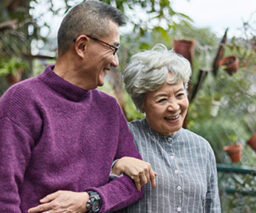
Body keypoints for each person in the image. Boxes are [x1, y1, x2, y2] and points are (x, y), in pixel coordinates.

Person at [0, 1, 156, 212]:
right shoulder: (22, 100)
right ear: (82, 46)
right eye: (113, 49)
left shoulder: (109, 108)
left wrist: (89, 200)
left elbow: (136, 183)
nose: (116, 62)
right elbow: (4, 191)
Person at [111, 44, 221, 212]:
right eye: (162, 100)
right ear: (142, 104)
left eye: (179, 95)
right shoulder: (123, 137)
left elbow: (212, 207)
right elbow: (90, 185)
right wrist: (116, 165)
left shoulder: (202, 148)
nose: (174, 107)